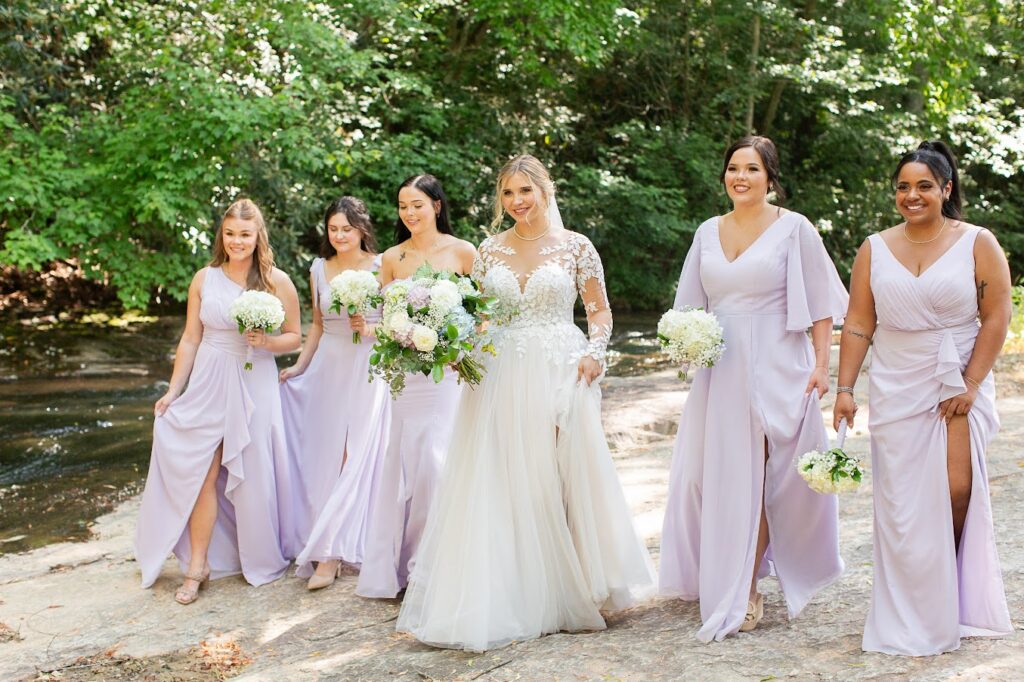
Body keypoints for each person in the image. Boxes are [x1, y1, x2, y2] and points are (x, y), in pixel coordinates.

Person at [395, 154, 656, 651]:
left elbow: (599, 313)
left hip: (560, 364)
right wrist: (459, 349)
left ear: (545, 191)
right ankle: (515, 589)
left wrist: (595, 353)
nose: (516, 202)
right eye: (508, 194)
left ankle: (569, 586)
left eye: (525, 192)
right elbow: (484, 318)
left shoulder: (576, 246)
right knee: (503, 476)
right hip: (499, 374)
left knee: (554, 473)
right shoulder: (490, 251)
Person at [659, 136, 848, 640]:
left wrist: (822, 366)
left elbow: (824, 303)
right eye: (733, 168)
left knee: (766, 476)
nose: (740, 177)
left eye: (752, 169)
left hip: (779, 359)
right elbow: (688, 307)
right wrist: (685, 343)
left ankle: (744, 587)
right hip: (720, 368)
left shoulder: (794, 228)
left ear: (770, 177)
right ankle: (723, 567)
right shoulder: (706, 231)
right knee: (716, 474)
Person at [833, 141, 1013, 655]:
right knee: (902, 503)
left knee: (958, 488)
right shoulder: (874, 246)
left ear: (946, 189)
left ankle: (951, 592)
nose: (912, 196)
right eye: (903, 187)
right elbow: (860, 323)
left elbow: (997, 316)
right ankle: (910, 610)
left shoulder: (978, 242)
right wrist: (846, 388)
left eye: (924, 186)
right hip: (897, 380)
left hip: (958, 372)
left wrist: (972, 382)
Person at [134, 198, 301, 604]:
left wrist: (266, 341)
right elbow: (191, 337)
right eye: (229, 234)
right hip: (209, 377)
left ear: (258, 235)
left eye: (245, 234)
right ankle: (197, 566)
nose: (236, 241)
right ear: (221, 235)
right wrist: (175, 389)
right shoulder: (204, 278)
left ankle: (257, 556)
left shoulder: (277, 281)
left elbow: (295, 336)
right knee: (201, 474)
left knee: (251, 472)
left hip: (253, 377)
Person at [354, 174, 476, 598]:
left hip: (446, 375)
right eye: (403, 205)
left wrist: (457, 347)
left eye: (417, 205)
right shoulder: (390, 257)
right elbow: (385, 323)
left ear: (436, 206)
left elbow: (480, 318)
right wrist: (375, 330)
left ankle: (439, 567)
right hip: (406, 376)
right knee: (407, 465)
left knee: (436, 464)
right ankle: (406, 568)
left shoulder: (463, 252)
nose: (409, 213)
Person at [280, 197, 391, 590]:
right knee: (325, 454)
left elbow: (395, 321)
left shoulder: (383, 265)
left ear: (362, 228)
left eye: (346, 228)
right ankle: (325, 539)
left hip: (369, 365)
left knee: (356, 451)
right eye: (333, 229)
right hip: (330, 363)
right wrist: (299, 367)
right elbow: (317, 327)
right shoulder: (318, 269)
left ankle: (330, 555)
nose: (339, 236)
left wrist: (370, 325)